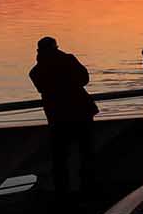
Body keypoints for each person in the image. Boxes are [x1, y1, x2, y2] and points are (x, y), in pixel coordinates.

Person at [31, 36, 99, 197]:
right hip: (81, 113)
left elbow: (42, 88)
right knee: (86, 153)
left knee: (60, 158)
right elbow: (84, 79)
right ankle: (88, 188)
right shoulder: (68, 60)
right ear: (56, 48)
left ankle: (63, 191)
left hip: (58, 117)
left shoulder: (35, 71)